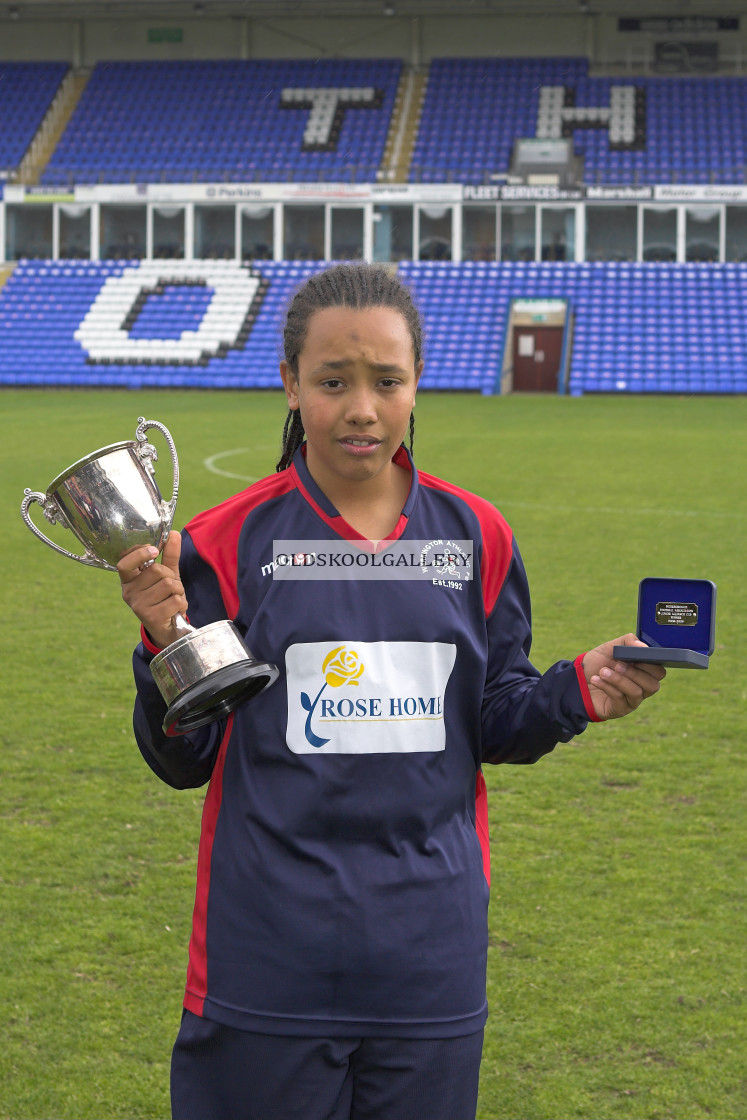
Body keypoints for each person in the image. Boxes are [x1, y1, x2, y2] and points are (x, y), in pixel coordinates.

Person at [118, 262, 665, 1120]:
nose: (361, 408)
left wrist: (575, 693)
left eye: (386, 381)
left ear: (417, 385)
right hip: (266, 955)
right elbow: (184, 759)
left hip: (427, 960)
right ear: (290, 384)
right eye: (332, 381)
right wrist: (161, 644)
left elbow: (490, 720)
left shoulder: (476, 536)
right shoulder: (222, 544)